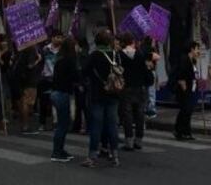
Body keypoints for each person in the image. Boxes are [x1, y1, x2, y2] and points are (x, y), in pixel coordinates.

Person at [84, 29, 120, 168]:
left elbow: (85, 71)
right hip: (114, 94)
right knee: (112, 125)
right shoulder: (116, 55)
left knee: (96, 125)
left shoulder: (94, 55)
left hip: (98, 94)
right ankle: (114, 155)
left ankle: (92, 156)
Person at [117, 33, 147, 151]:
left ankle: (128, 141)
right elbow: (144, 70)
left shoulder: (120, 55)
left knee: (127, 115)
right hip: (139, 87)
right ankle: (138, 140)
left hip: (126, 87)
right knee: (140, 114)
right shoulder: (140, 54)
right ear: (132, 41)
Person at [50, 36, 77, 162]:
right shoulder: (70, 61)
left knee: (63, 123)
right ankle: (57, 151)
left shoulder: (59, 59)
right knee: (63, 124)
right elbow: (75, 76)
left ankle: (60, 149)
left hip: (56, 92)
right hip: (63, 93)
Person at [173, 41, 200, 141]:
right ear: (192, 49)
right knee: (185, 111)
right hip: (185, 90)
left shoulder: (192, 60)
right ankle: (180, 131)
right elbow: (181, 76)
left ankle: (185, 131)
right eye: (197, 49)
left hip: (192, 89)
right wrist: (185, 90)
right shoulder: (184, 59)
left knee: (187, 111)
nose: (198, 51)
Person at [37, 31, 63, 131]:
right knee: (44, 102)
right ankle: (42, 123)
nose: (59, 39)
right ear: (52, 38)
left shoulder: (63, 51)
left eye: (61, 37)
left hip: (58, 79)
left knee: (57, 102)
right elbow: (40, 62)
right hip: (46, 79)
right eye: (57, 37)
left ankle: (56, 123)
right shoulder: (45, 49)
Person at [14, 44, 41, 134]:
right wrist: (38, 60)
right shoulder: (31, 49)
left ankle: (23, 125)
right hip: (30, 80)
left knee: (23, 102)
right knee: (28, 103)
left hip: (21, 79)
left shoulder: (21, 48)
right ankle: (26, 126)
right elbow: (30, 65)